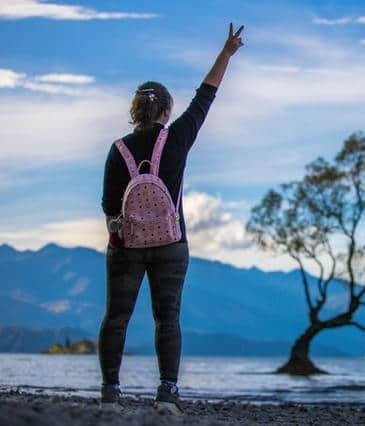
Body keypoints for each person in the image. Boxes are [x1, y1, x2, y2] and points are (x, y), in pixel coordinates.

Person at [98, 23, 244, 415]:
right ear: (166, 111)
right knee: (168, 320)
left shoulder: (118, 150)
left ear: (134, 113)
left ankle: (110, 396)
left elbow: (109, 204)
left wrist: (119, 233)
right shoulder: (178, 138)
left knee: (116, 318)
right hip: (171, 245)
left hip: (125, 247)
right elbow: (206, 95)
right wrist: (226, 53)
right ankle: (166, 394)